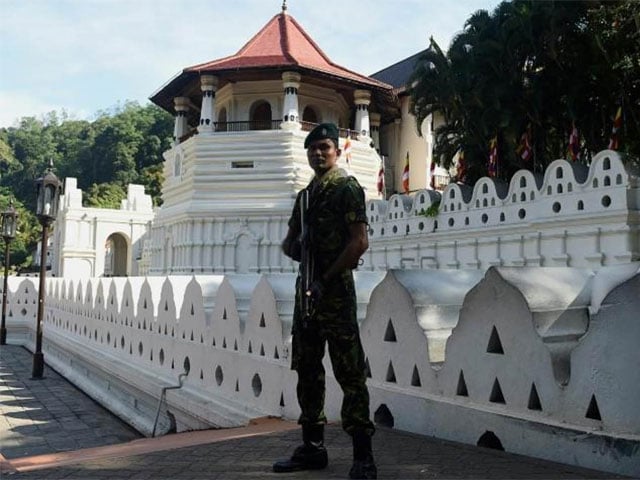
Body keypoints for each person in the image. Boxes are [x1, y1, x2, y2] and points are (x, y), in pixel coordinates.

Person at [273, 123, 377, 479]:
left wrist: (324, 278)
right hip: (308, 296)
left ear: (337, 150)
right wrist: (303, 252)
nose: (318, 153)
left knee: (350, 373)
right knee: (307, 370)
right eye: (313, 148)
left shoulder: (346, 188)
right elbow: (289, 243)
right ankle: (312, 448)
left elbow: (359, 242)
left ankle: (363, 456)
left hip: (334, 293)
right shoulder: (305, 197)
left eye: (325, 147)